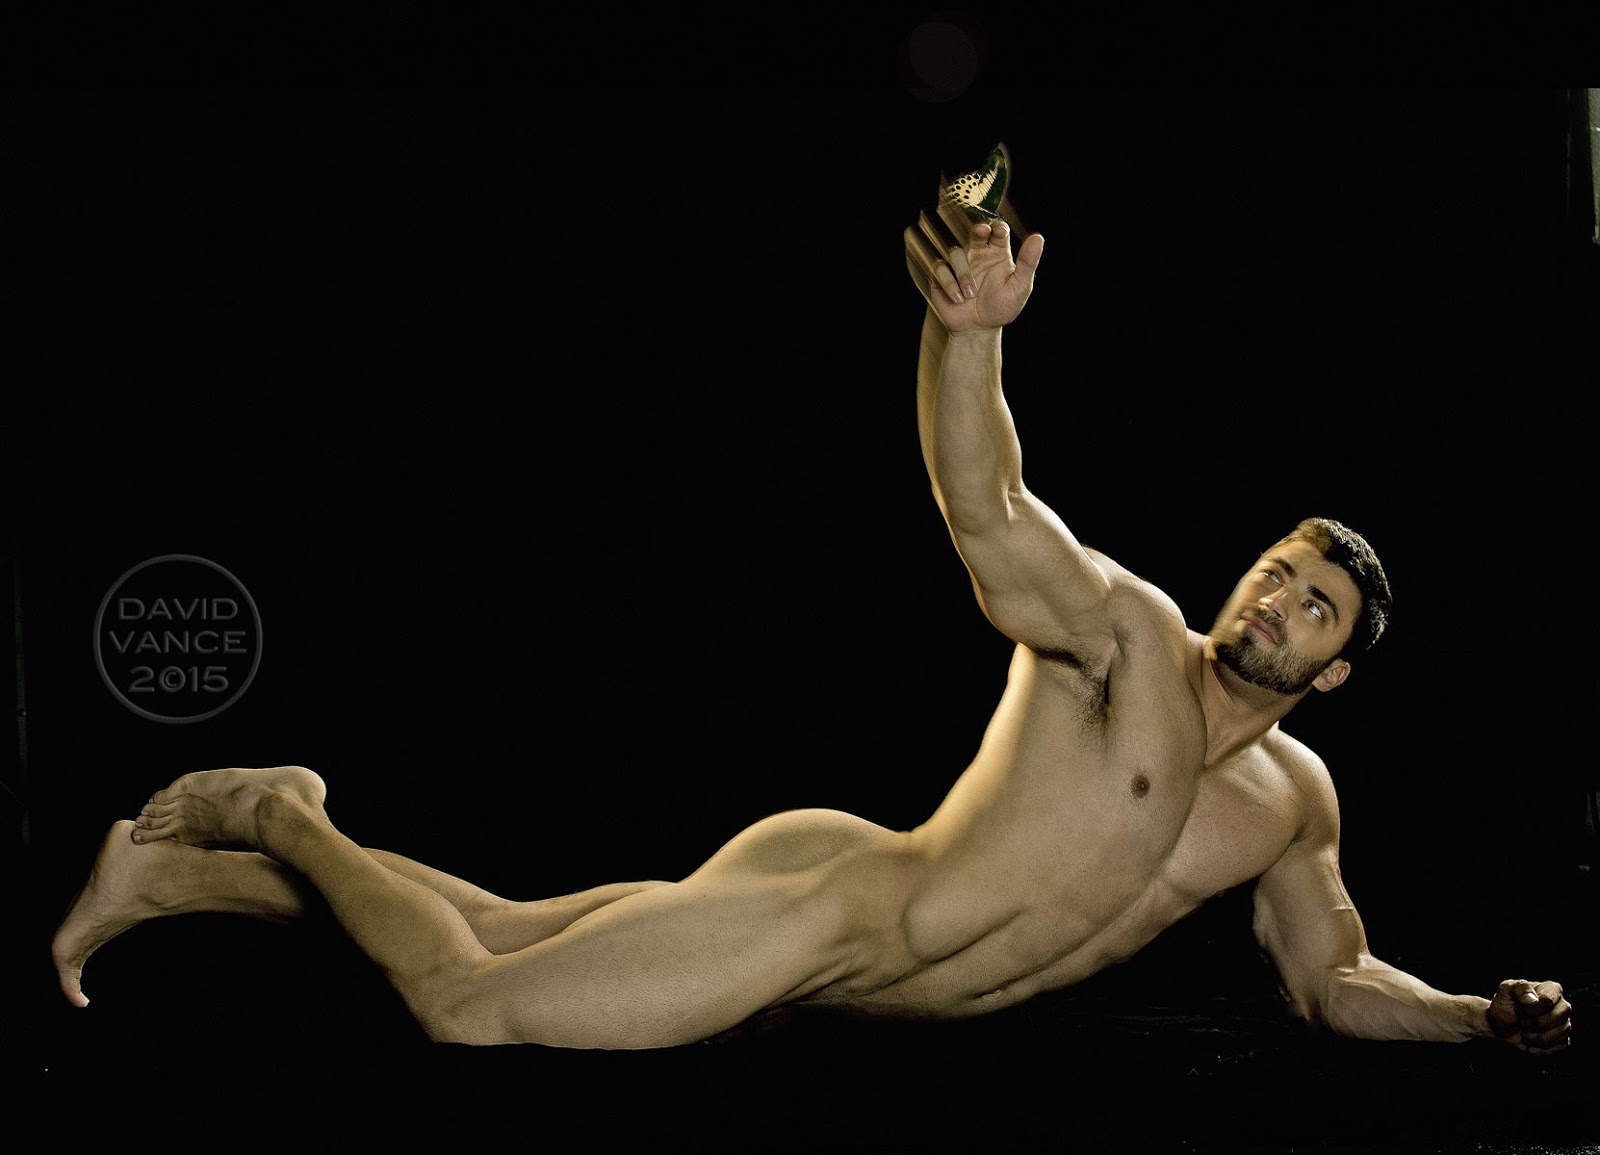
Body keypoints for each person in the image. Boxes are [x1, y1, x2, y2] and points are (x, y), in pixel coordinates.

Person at [51, 195, 1572, 1056]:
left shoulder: (1291, 804)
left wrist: (1474, 1018)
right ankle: (282, 810)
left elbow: (1330, 979)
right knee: (470, 1005)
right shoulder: (1128, 640)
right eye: (1277, 570)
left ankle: (166, 875)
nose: (1274, 600)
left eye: (1312, 605)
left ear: (1335, 669)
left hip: (865, 946)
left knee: (501, 927)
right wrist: (966, 342)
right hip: (839, 912)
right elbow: (992, 511)